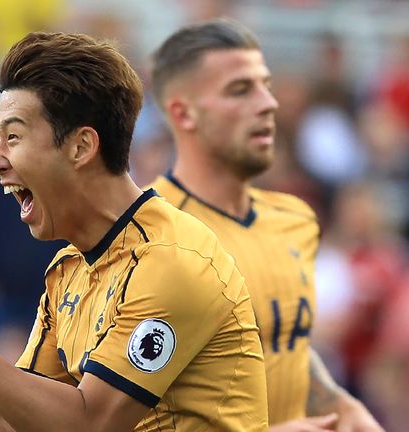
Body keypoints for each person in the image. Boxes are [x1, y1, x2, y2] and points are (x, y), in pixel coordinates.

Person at [0, 31, 268, 431]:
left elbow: (88, 426)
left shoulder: (173, 261)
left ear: (80, 146)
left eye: (12, 138)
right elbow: (9, 422)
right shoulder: (68, 268)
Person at [143, 18, 383, 431]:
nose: (268, 103)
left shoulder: (295, 218)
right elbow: (112, 413)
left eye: (265, 85)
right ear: (184, 113)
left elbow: (287, 342)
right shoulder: (146, 234)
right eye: (241, 89)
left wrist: (344, 407)